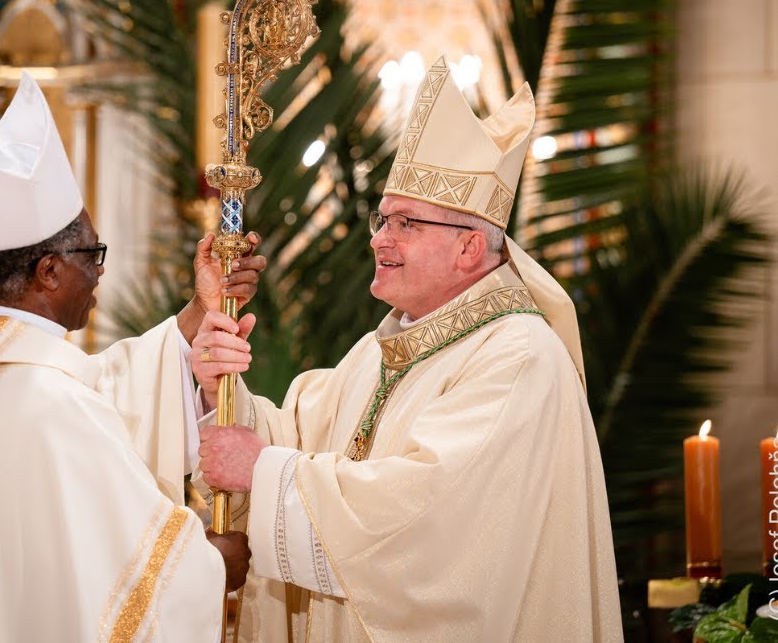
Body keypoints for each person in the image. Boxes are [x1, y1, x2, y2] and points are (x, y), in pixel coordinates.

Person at [191, 56, 624, 642]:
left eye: (406, 224)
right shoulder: (380, 349)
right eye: (383, 220)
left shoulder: (519, 356)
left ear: (470, 248)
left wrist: (263, 470)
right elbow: (295, 437)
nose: (379, 240)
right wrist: (216, 389)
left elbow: (431, 520)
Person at [0, 70, 263, 642]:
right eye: (92, 254)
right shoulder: (51, 403)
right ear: (49, 271)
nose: (100, 271)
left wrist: (200, 310)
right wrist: (213, 565)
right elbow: (127, 575)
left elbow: (104, 389)